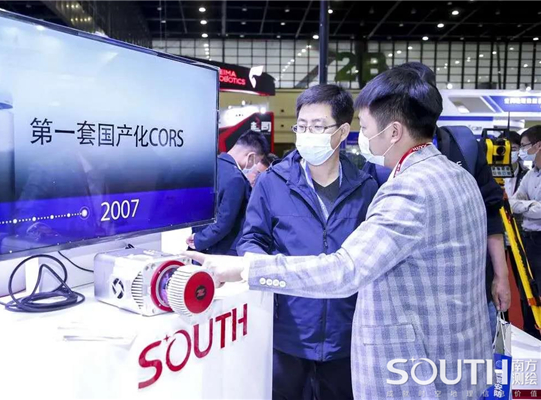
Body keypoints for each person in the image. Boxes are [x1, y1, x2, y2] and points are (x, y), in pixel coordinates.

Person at [187, 67, 492, 399]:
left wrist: (246, 268)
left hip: (408, 364)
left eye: (366, 127)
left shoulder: (398, 189)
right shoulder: (458, 176)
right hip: (304, 331)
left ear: (392, 132)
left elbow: (346, 270)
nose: (364, 137)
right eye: (302, 126)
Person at [238, 85, 377, 400]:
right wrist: (260, 264)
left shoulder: (365, 188)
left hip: (346, 336)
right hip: (288, 334)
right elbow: (251, 238)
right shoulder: (273, 182)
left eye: (317, 127)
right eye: (301, 126)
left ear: (342, 132)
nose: (306, 134)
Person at [363, 62, 510, 336]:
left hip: (471, 289)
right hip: (410, 295)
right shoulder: (379, 160)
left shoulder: (463, 148)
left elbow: (491, 214)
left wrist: (501, 276)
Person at [186, 130, 269, 255]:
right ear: (251, 156)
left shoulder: (209, 166)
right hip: (222, 250)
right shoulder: (236, 178)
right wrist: (199, 240)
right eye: (256, 162)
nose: (254, 166)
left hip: (203, 244)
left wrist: (198, 237)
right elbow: (224, 221)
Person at [510, 126, 541, 335]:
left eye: (524, 146)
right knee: (526, 291)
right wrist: (532, 205)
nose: (522, 151)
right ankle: (531, 334)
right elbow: (513, 203)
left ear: (538, 145)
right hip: (526, 240)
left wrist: (526, 206)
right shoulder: (531, 174)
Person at [505, 130, 529, 198]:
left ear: (520, 150)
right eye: (505, 149)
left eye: (513, 149)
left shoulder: (527, 174)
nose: (509, 153)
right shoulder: (490, 175)